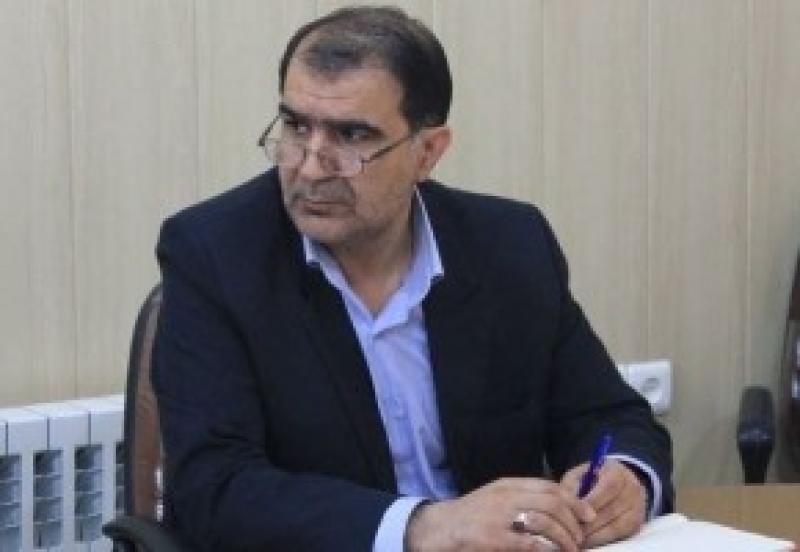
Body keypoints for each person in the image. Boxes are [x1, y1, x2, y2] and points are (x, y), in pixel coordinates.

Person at [153, 6, 673, 551]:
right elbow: (214, 489)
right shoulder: (214, 255)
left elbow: (606, 414)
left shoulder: (509, 245)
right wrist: (422, 527)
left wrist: (627, 478)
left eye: (351, 135)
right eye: (296, 127)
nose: (309, 166)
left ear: (427, 152)